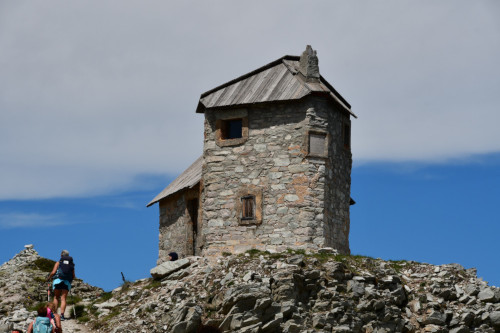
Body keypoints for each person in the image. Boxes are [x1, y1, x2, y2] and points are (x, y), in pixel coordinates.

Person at [47, 250, 75, 321]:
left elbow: (53, 272)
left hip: (57, 281)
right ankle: (62, 315)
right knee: (63, 299)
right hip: (66, 282)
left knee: (56, 297)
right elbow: (73, 276)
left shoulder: (58, 263)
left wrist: (49, 277)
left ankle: (54, 314)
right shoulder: (71, 265)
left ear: (61, 255)